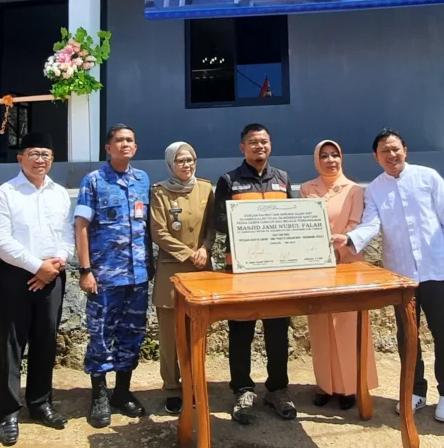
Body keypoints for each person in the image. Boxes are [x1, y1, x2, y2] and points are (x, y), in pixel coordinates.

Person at [333, 131, 444, 421]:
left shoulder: (429, 177)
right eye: (384, 151)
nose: (391, 156)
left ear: (405, 149)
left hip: (435, 268)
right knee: (407, 335)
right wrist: (349, 239)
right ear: (375, 157)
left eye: (395, 149)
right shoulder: (375, 189)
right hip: (401, 273)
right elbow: (370, 224)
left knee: (443, 332)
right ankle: (415, 391)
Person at [0, 133, 72, 446]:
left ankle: (40, 403)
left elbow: (68, 235)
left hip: (53, 276)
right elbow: (0, 240)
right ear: (20, 158)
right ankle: (8, 411)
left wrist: (57, 264)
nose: (40, 159)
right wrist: (37, 267)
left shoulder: (60, 194)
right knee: (11, 345)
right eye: (34, 153)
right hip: (14, 278)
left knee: (46, 341)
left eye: (46, 154)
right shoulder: (5, 194)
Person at [213, 123, 297, 424]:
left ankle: (277, 389)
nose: (258, 146)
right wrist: (252, 221)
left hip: (277, 272)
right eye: (252, 142)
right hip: (241, 271)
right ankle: (243, 391)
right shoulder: (228, 181)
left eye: (263, 142)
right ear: (242, 147)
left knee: (277, 333)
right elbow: (219, 221)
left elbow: (291, 219)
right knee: (240, 333)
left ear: (270, 145)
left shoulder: (283, 179)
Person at [74, 124, 151, 428]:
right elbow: (80, 226)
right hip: (104, 277)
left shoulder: (143, 180)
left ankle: (122, 391)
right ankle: (99, 395)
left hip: (138, 276)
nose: (124, 144)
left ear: (136, 146)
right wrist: (85, 270)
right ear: (108, 148)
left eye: (130, 140)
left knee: (132, 334)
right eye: (118, 140)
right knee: (101, 336)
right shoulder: (93, 181)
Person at [303, 140, 379, 411]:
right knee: (321, 326)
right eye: (324, 155)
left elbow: (355, 224)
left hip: (347, 264)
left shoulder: (354, 190)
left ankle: (350, 386)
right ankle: (325, 385)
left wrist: (338, 249)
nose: (330, 160)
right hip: (317, 266)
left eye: (335, 155)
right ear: (317, 159)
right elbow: (304, 225)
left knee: (348, 327)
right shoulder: (306, 189)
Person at [149, 141, 214, 416]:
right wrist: (189, 253)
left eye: (190, 160)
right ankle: (173, 389)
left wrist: (205, 248)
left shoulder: (206, 189)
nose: (186, 165)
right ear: (170, 164)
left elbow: (212, 225)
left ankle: (196, 384)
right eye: (180, 161)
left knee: (197, 334)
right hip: (171, 271)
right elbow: (158, 232)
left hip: (201, 270)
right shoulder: (160, 192)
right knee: (170, 336)